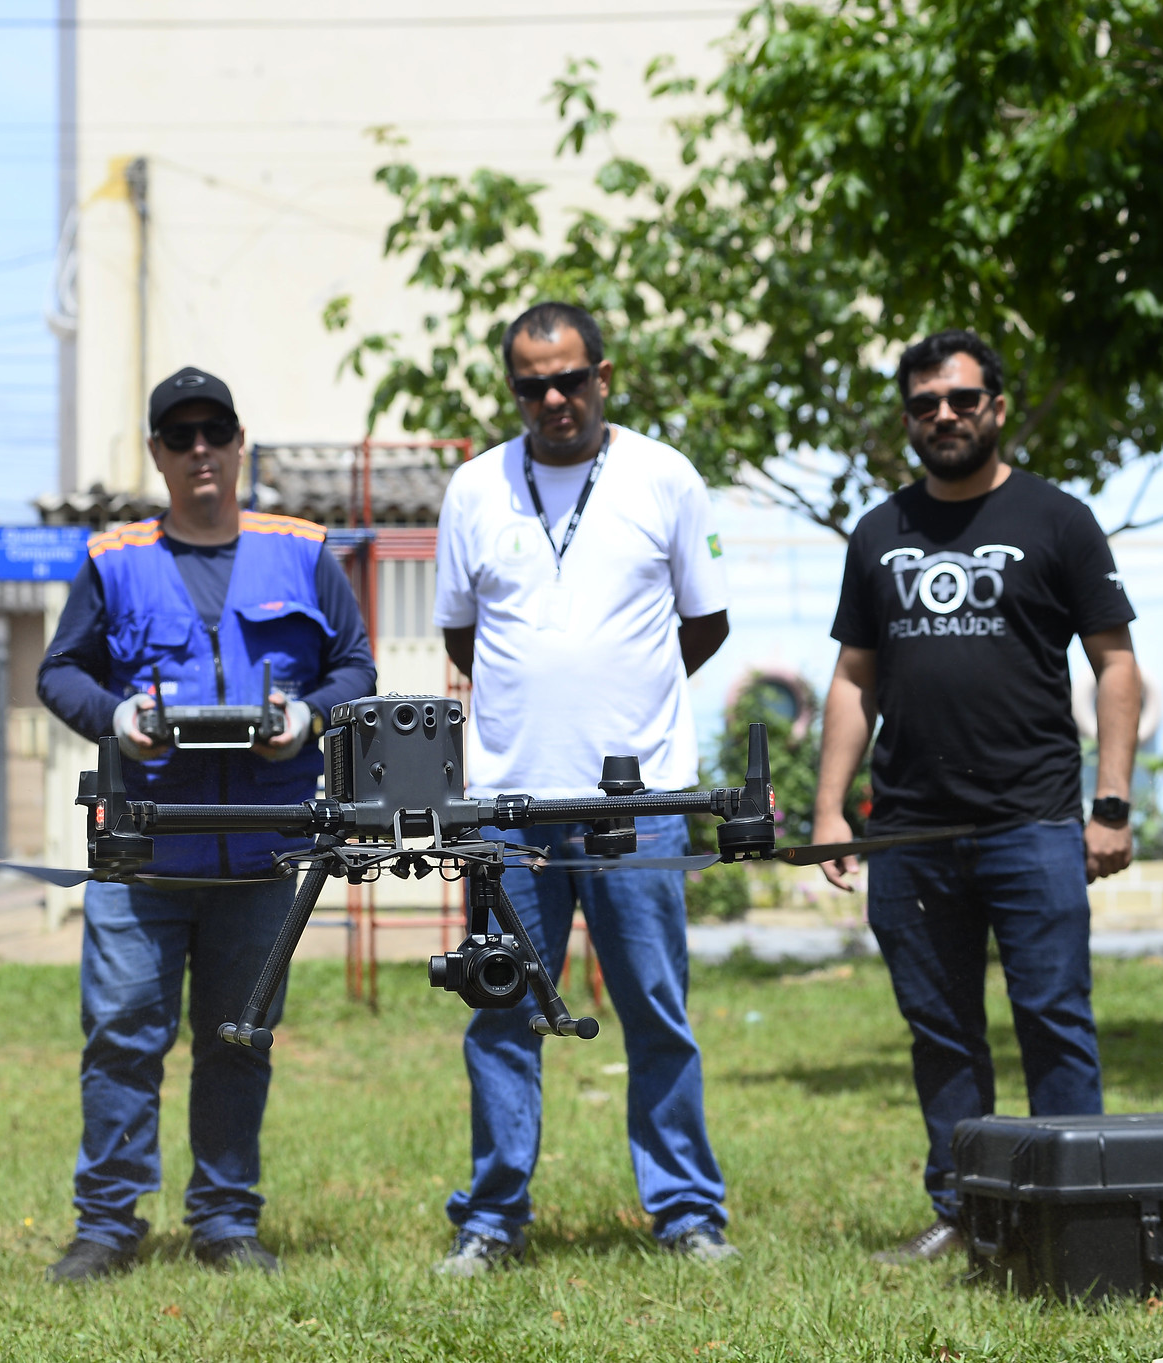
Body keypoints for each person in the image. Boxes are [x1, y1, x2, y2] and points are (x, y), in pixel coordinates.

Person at [37, 366, 376, 1281]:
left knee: (240, 1041)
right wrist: (115, 717)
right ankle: (108, 1225)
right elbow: (58, 672)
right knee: (122, 1038)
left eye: (213, 434)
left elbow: (356, 667)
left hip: (263, 853)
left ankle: (226, 1221)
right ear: (156, 452)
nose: (198, 452)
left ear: (238, 445)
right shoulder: (114, 560)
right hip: (144, 850)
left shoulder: (302, 551)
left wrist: (308, 718)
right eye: (178, 437)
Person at [809, 329, 1140, 1264]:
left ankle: (1080, 1217)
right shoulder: (880, 532)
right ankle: (967, 1215)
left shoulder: (1059, 520)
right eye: (925, 404)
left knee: (1053, 1018)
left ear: (995, 404)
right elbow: (852, 679)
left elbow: (1116, 667)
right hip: (908, 832)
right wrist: (832, 809)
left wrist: (1110, 804)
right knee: (940, 1032)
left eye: (961, 400)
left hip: (1031, 823)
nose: (943, 416)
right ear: (908, 417)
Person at [431, 302, 735, 1274]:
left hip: (635, 806)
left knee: (654, 1007)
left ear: (605, 374)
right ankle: (491, 1219)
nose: (553, 399)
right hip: (508, 805)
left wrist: (625, 698)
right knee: (501, 1012)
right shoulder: (474, 488)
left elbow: (705, 622)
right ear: (511, 388)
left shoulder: (665, 478)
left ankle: (686, 1212)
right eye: (531, 385)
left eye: (569, 379)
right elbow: (458, 637)